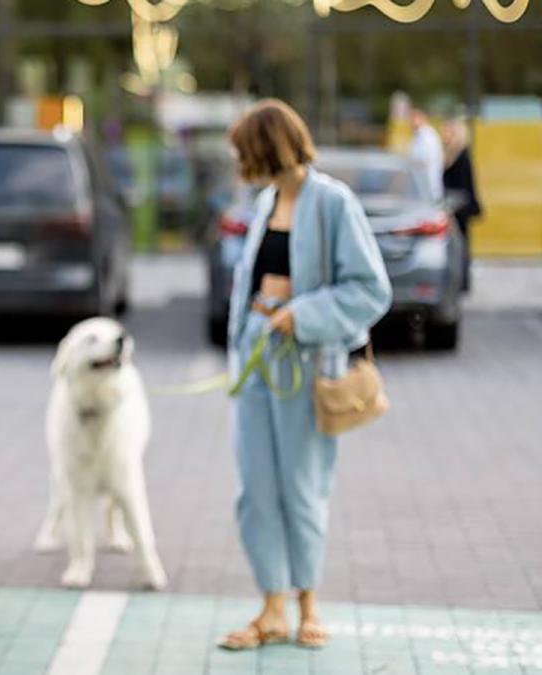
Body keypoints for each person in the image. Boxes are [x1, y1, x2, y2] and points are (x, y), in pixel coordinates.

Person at [218, 99, 391, 651]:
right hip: (256, 353)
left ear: (267, 148)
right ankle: (271, 607)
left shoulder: (333, 203)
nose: (242, 164)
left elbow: (371, 289)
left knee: (302, 484)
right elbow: (249, 287)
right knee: (255, 487)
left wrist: (305, 314)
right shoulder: (266, 202)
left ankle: (308, 603)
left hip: (306, 358)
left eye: (246, 152)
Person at [442, 116, 481, 292]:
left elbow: (465, 185)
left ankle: (463, 281)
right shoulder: (451, 153)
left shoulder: (461, 155)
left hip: (460, 208)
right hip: (456, 206)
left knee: (462, 245)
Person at [408, 108, 445, 202]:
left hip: (428, 188)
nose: (411, 121)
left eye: (414, 117)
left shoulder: (427, 136)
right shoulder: (418, 135)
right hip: (421, 188)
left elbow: (423, 162)